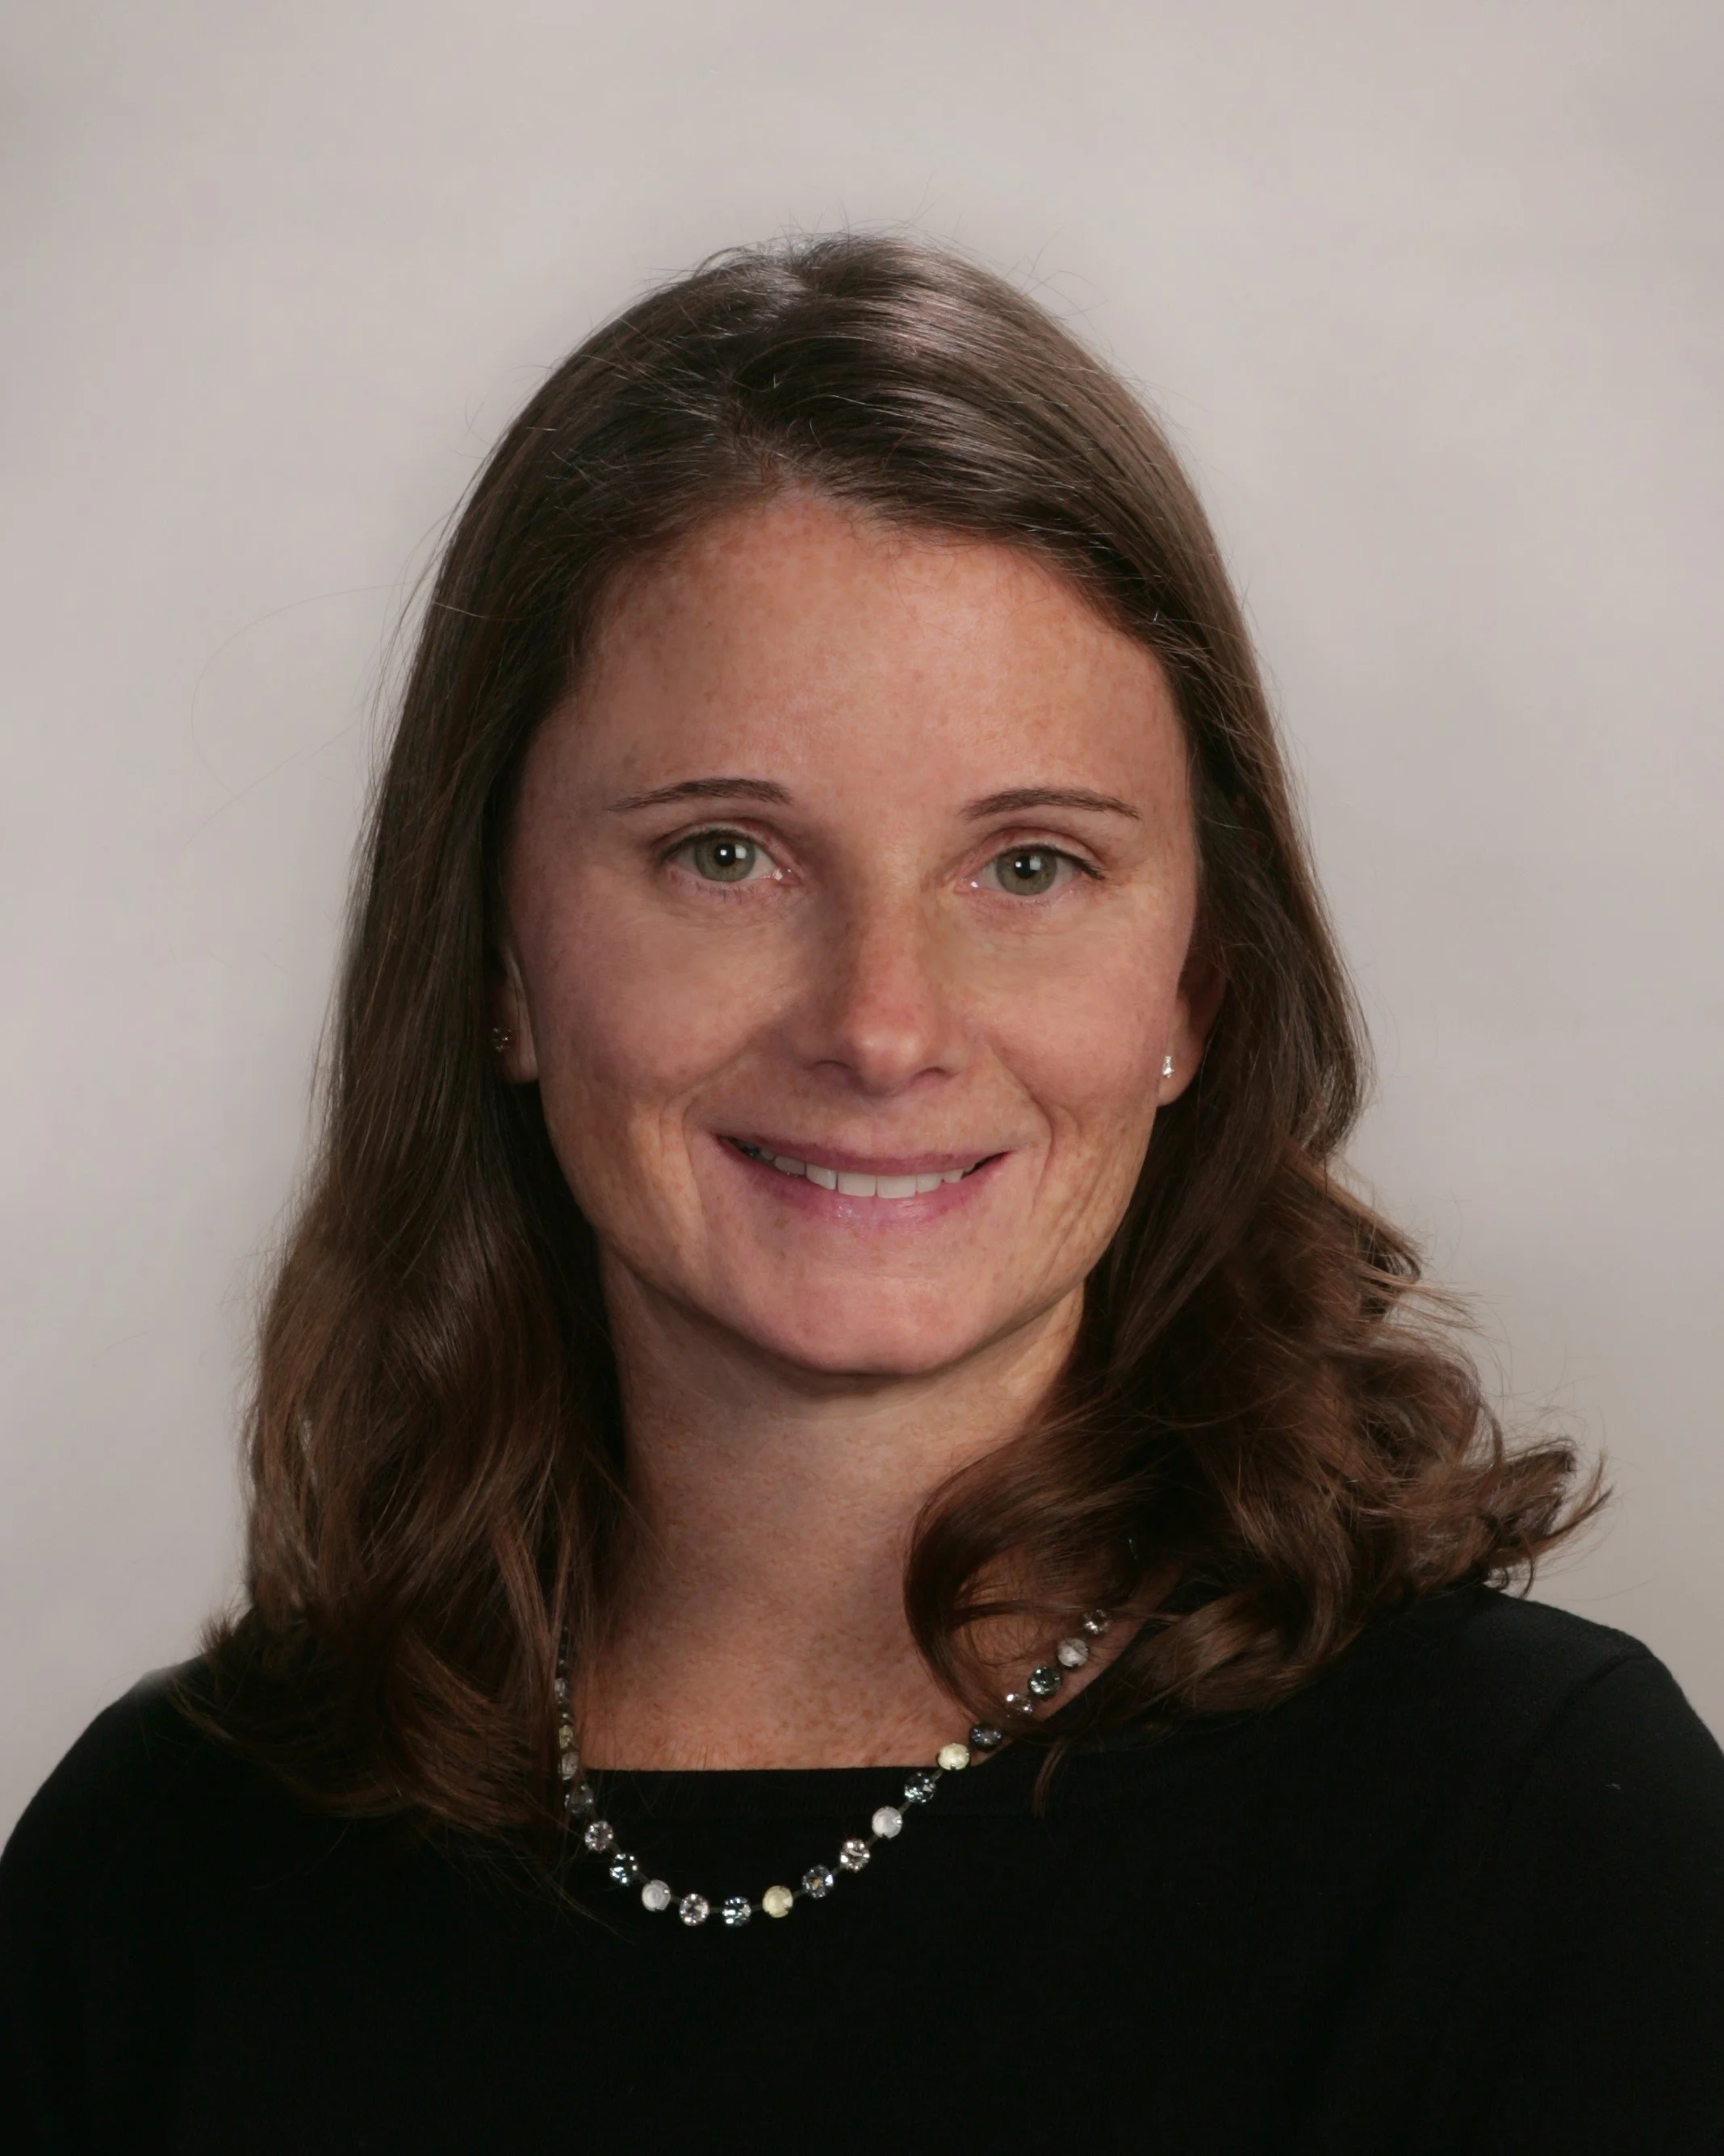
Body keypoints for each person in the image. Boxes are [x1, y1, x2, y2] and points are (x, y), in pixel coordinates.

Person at [2, 233, 1720, 2154]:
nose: (884, 1028)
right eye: (726, 855)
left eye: (1031, 867)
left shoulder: (1536, 1847)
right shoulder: (155, 1882)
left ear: (1198, 987)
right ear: (494, 957)